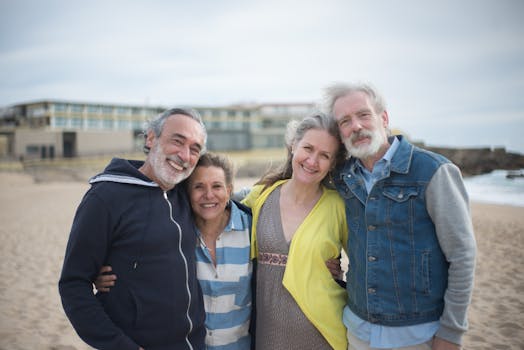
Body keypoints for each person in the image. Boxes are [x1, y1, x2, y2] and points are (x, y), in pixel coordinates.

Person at [322, 82, 477, 350]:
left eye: (363, 114)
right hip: (357, 331)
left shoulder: (433, 171)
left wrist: (451, 333)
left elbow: (462, 256)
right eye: (345, 121)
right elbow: (301, 191)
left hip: (418, 335)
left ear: (384, 118)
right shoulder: (341, 177)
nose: (356, 126)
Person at [58, 107, 208, 350]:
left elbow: (225, 197)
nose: (184, 155)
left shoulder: (186, 194)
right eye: (177, 141)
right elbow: (73, 286)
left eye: (194, 149)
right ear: (151, 138)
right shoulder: (105, 197)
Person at [97, 152, 255, 349]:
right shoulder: (173, 232)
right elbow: (141, 262)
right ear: (187, 192)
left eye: (217, 186)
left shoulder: (252, 229)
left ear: (229, 190)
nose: (208, 195)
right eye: (199, 187)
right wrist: (112, 274)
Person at [241, 112, 349, 349]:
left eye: (324, 155)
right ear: (293, 146)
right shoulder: (261, 196)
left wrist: (341, 280)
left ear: (333, 163)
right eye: (308, 148)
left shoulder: (339, 205)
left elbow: (369, 263)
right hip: (267, 336)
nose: (312, 161)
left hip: (324, 336)